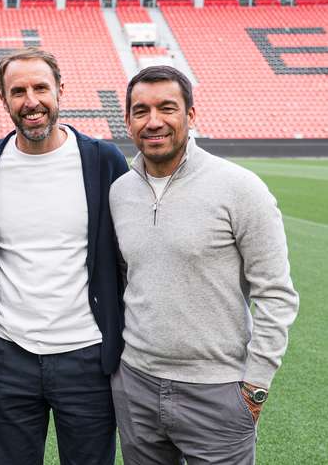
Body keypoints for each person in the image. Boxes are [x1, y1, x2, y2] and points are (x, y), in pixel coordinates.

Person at [109, 65, 299, 464]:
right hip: (136, 385)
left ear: (191, 115)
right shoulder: (120, 192)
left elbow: (276, 293)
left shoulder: (240, 188)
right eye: (141, 111)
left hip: (217, 391)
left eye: (167, 108)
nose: (154, 122)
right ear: (128, 121)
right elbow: (128, 278)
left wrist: (255, 386)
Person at [0, 48, 129, 465]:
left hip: (88, 356)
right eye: (17, 91)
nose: (31, 101)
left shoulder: (102, 160)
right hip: (7, 357)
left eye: (40, 88)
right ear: (3, 100)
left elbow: (129, 252)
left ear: (60, 90)